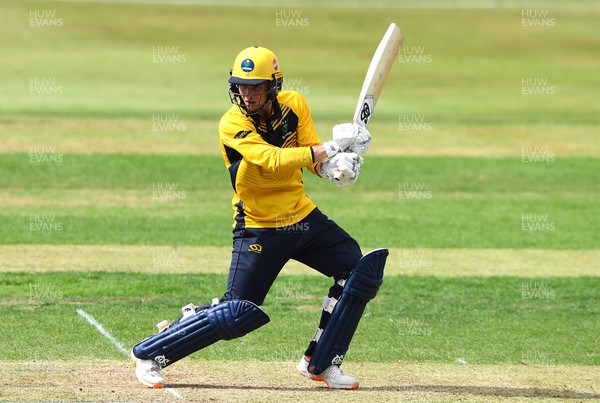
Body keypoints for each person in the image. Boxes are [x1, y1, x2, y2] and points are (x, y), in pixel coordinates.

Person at [131, 46, 388, 390]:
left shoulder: (294, 105)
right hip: (259, 227)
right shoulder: (232, 123)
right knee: (237, 313)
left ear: (273, 85)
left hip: (301, 217)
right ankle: (150, 352)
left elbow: (309, 157)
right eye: (241, 86)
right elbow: (270, 158)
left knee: (358, 272)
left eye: (255, 87)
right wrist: (333, 147)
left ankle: (320, 363)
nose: (247, 94)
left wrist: (336, 168)